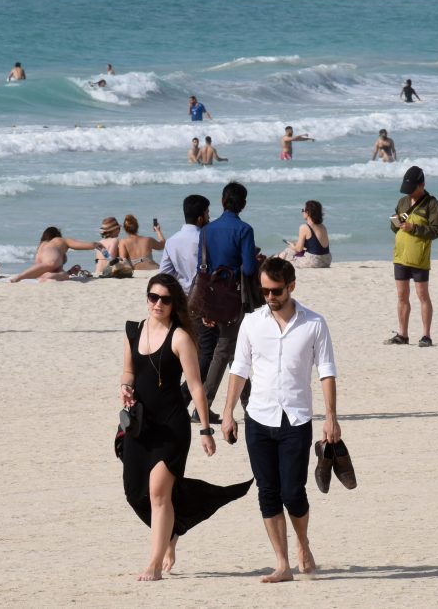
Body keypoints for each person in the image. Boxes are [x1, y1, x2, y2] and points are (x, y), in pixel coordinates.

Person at [119, 273, 252, 581]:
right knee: (134, 493)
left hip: (171, 426)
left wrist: (205, 429)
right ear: (147, 298)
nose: (158, 304)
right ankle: (173, 530)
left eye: (165, 299)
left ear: (173, 302)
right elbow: (128, 371)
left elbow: (196, 386)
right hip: (141, 425)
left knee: (158, 494)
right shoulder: (133, 331)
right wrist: (124, 387)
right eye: (153, 297)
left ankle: (154, 561)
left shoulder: (180, 338)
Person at [221, 257, 341, 583]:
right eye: (264, 291)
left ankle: (303, 544)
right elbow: (239, 369)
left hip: (297, 419)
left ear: (291, 286)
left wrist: (331, 418)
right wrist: (228, 411)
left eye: (275, 291)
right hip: (258, 417)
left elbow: (326, 372)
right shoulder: (251, 322)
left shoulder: (314, 323)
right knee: (267, 492)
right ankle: (282, 563)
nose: (269, 297)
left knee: (293, 492)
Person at [198, 181, 258, 422]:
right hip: (234, 296)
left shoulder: (207, 230)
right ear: (242, 205)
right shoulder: (244, 230)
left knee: (233, 350)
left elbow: (201, 268)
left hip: (212, 294)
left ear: (223, 202)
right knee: (225, 350)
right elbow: (250, 268)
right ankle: (203, 403)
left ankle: (249, 404)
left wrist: (204, 305)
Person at [159, 194, 215, 403]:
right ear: (201, 217)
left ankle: (203, 403)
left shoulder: (172, 241)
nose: (209, 217)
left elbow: (164, 273)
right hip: (206, 302)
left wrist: (182, 288)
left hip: (184, 302)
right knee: (207, 355)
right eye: (207, 213)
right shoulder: (206, 239)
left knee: (194, 352)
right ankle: (183, 398)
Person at [386, 166, 438, 347]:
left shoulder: (432, 204)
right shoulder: (403, 202)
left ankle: (426, 336)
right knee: (402, 296)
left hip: (419, 258)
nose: (410, 194)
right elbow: (394, 227)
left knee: (422, 295)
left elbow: (437, 230)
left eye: (412, 190)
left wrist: (414, 228)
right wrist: (396, 222)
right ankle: (402, 335)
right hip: (400, 256)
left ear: (422, 185)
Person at [9, 227, 102, 282]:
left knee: (50, 268)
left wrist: (70, 272)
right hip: (52, 259)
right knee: (56, 269)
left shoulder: (41, 246)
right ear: (57, 235)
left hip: (39, 267)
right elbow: (79, 245)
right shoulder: (60, 240)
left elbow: (43, 266)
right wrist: (95, 245)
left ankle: (19, 277)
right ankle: (19, 277)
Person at [277, 201, 331, 268]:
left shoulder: (304, 227)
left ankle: (274, 260)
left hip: (314, 261)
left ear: (308, 212)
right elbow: (316, 245)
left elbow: (298, 249)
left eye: (303, 210)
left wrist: (291, 245)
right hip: (327, 260)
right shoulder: (322, 226)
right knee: (291, 251)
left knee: (287, 252)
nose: (302, 212)